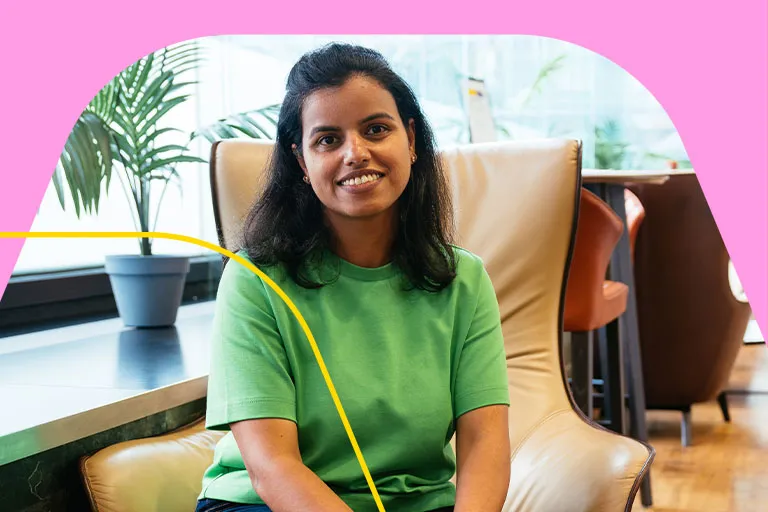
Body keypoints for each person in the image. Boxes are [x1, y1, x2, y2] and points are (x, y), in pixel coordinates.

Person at [196, 42, 511, 512]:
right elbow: (272, 466)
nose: (355, 154)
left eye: (376, 129)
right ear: (302, 162)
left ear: (411, 140)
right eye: (327, 139)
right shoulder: (253, 281)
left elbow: (485, 441)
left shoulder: (464, 279)